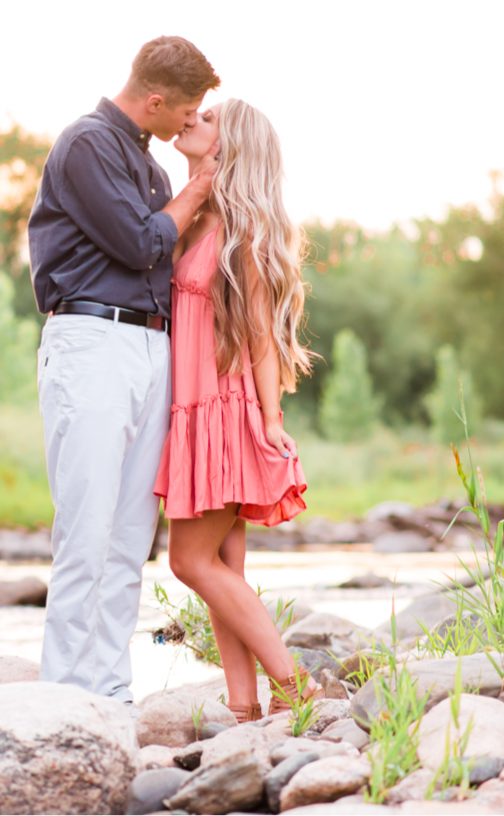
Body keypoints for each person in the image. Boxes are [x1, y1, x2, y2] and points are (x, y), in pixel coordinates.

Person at [27, 36, 220, 708]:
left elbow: (172, 254)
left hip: (149, 346)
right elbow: (142, 242)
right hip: (91, 340)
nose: (189, 123)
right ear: (157, 99)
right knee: (86, 527)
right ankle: (61, 699)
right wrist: (200, 184)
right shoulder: (85, 145)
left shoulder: (154, 172)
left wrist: (194, 184)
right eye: (188, 111)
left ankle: (108, 696)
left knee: (130, 534)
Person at [154, 97, 316, 722]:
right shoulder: (197, 216)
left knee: (188, 561)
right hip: (193, 410)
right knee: (224, 565)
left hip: (223, 410)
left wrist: (271, 420)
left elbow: (262, 336)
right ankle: (245, 706)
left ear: (232, 147)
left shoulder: (242, 234)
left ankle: (294, 682)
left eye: (210, 117)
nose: (193, 118)